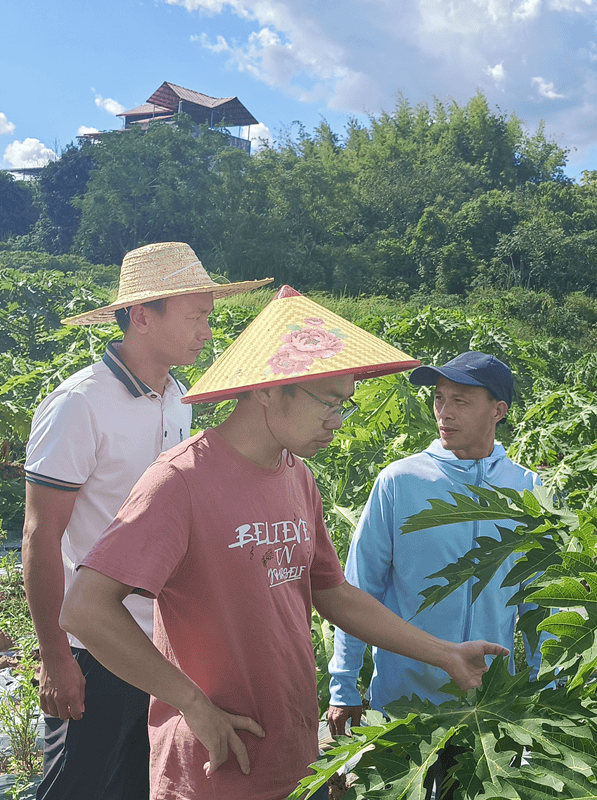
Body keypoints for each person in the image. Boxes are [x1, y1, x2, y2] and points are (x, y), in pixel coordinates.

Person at [59, 287, 510, 800]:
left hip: (295, 758)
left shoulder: (297, 476)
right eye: (329, 402)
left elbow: (333, 592)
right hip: (216, 763)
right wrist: (191, 702)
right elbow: (86, 610)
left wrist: (445, 653)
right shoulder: (180, 481)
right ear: (269, 389)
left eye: (346, 405)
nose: (338, 421)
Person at [22, 242, 270, 800]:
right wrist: (55, 656)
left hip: (163, 638)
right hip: (97, 637)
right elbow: (42, 536)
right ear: (142, 315)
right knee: (77, 785)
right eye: (196, 316)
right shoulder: (79, 405)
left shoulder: (179, 397)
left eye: (209, 315)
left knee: (141, 780)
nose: (207, 330)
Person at [325, 351, 541, 796]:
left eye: (461, 400)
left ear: (498, 411)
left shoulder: (529, 490)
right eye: (440, 398)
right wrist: (344, 683)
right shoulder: (400, 482)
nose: (444, 411)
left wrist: (548, 692)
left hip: (490, 703)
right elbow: (357, 587)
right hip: (403, 701)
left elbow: (542, 603)